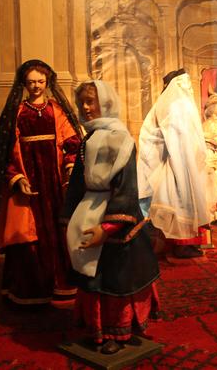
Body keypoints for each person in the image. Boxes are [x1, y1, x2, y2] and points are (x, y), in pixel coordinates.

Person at [63, 80, 160, 355]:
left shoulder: (121, 139)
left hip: (116, 217)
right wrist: (68, 217)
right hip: (88, 210)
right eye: (82, 102)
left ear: (105, 103)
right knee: (93, 275)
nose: (85, 107)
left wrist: (108, 227)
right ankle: (96, 327)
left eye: (90, 101)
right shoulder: (88, 139)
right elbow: (77, 182)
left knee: (115, 275)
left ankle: (117, 330)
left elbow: (127, 186)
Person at [0, 59, 83, 305]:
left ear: (47, 82)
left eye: (40, 81)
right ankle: (31, 288)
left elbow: (72, 142)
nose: (36, 86)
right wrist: (16, 177)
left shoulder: (56, 110)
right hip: (28, 179)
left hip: (53, 179)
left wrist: (69, 165)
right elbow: (5, 151)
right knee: (29, 232)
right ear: (24, 84)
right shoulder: (17, 112)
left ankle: (61, 282)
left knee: (57, 226)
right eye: (31, 82)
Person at [137, 69, 210, 258]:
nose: (189, 89)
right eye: (185, 84)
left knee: (182, 202)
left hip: (175, 159)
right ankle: (180, 245)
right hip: (170, 162)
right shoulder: (173, 104)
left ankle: (185, 243)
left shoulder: (171, 102)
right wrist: (186, 168)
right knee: (179, 202)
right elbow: (177, 140)